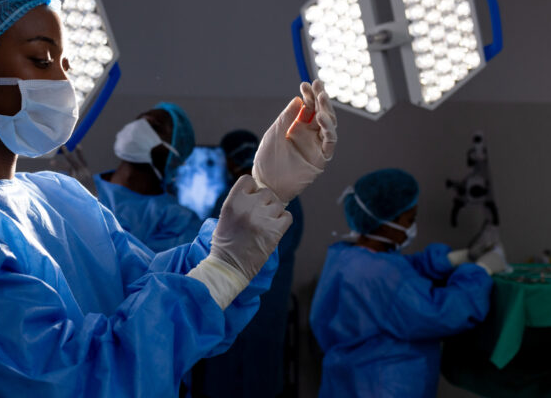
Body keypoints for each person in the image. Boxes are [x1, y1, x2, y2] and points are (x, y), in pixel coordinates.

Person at [0, 0, 336, 397]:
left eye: (65, 65)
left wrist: (263, 191)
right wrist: (221, 270)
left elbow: (152, 286)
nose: (60, 83)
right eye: (42, 60)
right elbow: (64, 380)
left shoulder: (58, 195)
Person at [310, 168, 506, 398]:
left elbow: (402, 270)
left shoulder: (346, 257)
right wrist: (480, 272)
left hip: (348, 380)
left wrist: (456, 258)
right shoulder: (379, 276)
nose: (412, 226)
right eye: (409, 219)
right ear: (385, 224)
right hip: (383, 385)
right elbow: (438, 314)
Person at [192, 129, 304, 398]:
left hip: (234, 307)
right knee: (258, 376)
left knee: (229, 377)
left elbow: (216, 254)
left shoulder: (232, 198)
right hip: (265, 311)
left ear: (230, 161)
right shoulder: (289, 199)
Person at [93, 103, 203, 252]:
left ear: (174, 156)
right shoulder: (78, 185)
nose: (138, 129)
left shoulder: (179, 221)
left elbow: (149, 269)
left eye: (154, 127)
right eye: (140, 121)